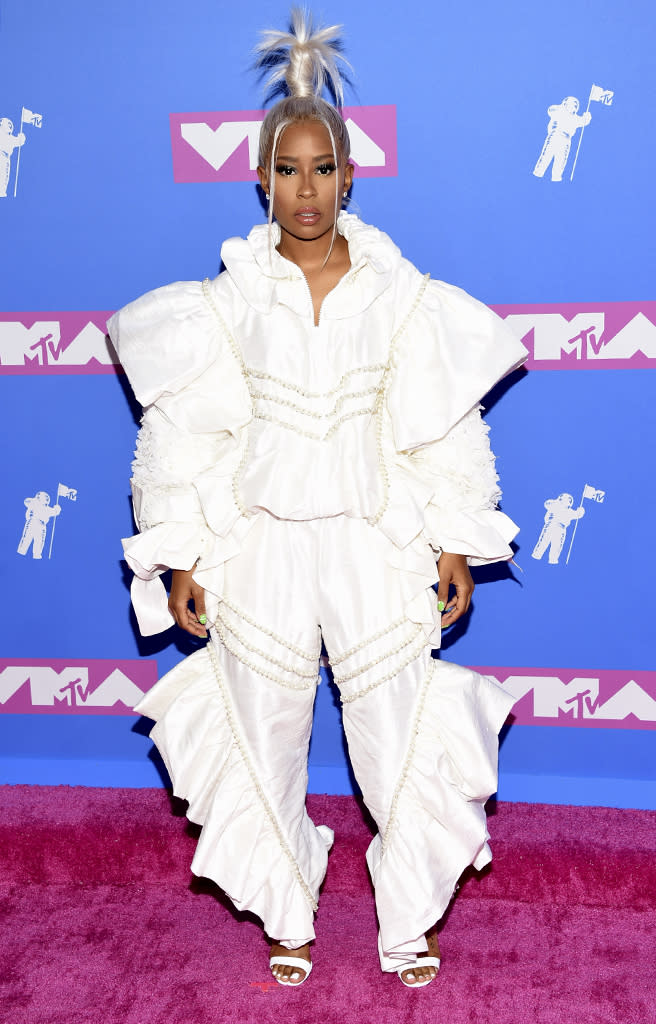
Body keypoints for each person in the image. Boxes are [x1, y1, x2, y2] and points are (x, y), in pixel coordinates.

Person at [108, 10, 527, 989]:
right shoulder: (222, 304)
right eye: (286, 169)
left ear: (349, 176)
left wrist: (454, 542)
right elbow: (179, 437)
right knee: (262, 731)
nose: (305, 187)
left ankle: (404, 920)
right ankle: (288, 910)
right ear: (261, 179)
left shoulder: (399, 297)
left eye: (322, 168)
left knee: (395, 736)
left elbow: (440, 427)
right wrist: (180, 557)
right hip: (258, 548)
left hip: (371, 543)